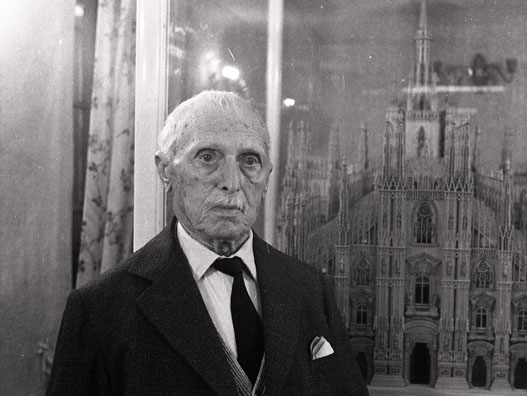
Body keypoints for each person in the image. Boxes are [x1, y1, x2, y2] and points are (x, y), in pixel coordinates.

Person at [46, 91, 369, 396]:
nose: (231, 182)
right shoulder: (100, 309)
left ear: (267, 176)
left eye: (249, 161)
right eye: (208, 157)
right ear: (166, 171)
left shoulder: (310, 289)